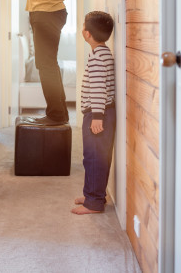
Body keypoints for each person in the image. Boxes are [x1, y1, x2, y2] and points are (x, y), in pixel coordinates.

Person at [72, 11, 115, 215]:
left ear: (87, 34)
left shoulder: (98, 57)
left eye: (83, 27)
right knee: (91, 157)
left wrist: (97, 116)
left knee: (95, 158)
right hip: (98, 112)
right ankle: (92, 195)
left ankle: (95, 202)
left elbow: (98, 88)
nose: (82, 30)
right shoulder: (101, 52)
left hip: (99, 114)